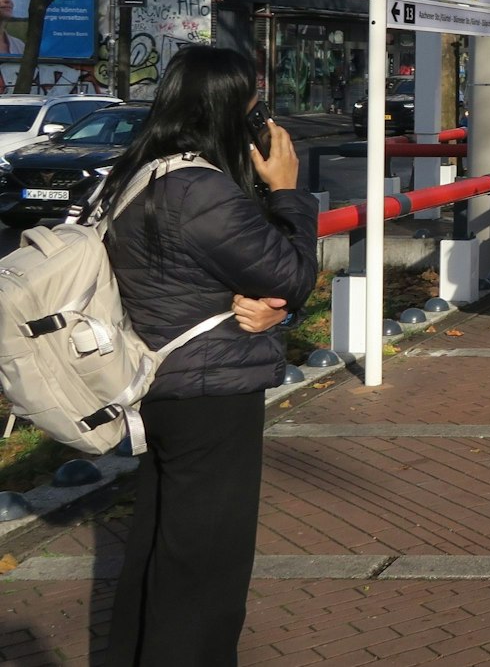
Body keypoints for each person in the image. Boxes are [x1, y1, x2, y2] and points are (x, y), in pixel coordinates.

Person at [99, 45, 320, 666]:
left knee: (160, 548)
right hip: (211, 394)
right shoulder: (200, 191)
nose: (260, 118)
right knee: (207, 563)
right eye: (254, 105)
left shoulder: (140, 172)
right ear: (228, 108)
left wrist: (271, 306)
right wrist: (287, 191)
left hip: (162, 383)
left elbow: (208, 279)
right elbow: (296, 271)